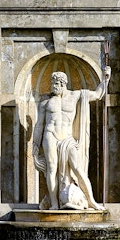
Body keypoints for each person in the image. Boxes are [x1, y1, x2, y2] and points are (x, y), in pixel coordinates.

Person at [33, 66, 111, 210]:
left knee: (78, 169)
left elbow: (97, 94)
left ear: (63, 84)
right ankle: (55, 204)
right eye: (51, 84)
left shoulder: (76, 95)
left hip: (68, 139)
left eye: (55, 84)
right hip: (50, 135)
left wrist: (105, 80)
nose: (53, 87)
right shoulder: (45, 101)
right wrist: (35, 145)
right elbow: (39, 124)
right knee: (51, 169)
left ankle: (91, 201)